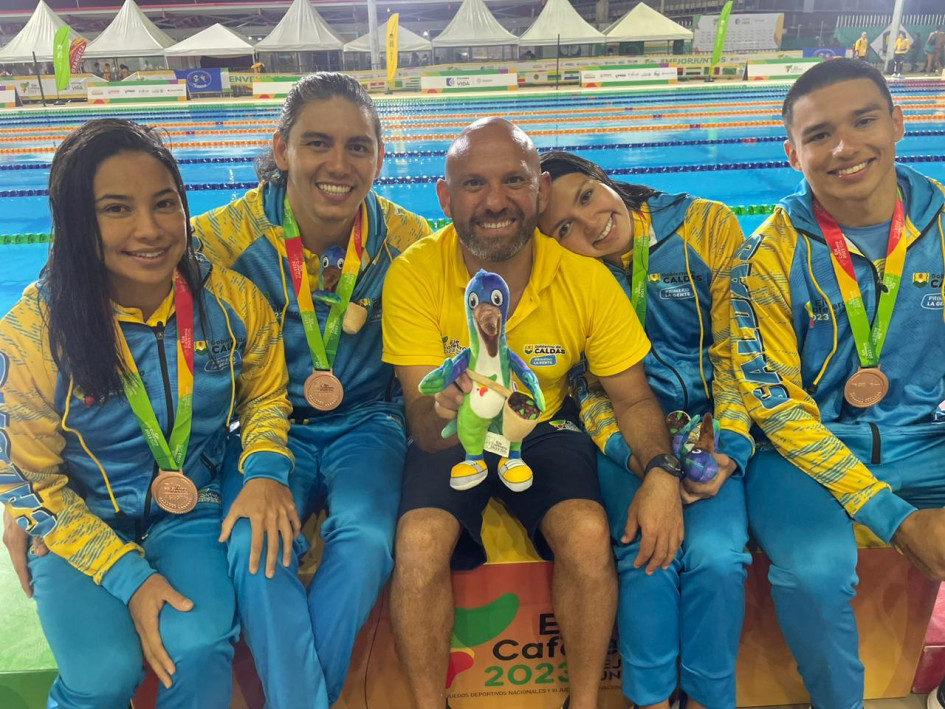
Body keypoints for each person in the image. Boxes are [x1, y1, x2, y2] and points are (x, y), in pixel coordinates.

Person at [382, 117, 685, 709]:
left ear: (539, 191)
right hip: (455, 436)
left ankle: (583, 702)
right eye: (473, 185)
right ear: (445, 196)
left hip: (539, 428)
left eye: (513, 181)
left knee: (589, 532)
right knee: (417, 541)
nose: (495, 202)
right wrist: (443, 408)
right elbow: (421, 419)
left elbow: (632, 397)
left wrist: (661, 472)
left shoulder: (584, 280)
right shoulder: (416, 272)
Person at [0, 119, 296, 707]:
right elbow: (30, 481)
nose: (150, 229)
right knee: (104, 671)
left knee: (199, 638)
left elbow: (265, 395)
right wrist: (128, 577)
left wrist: (266, 467)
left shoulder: (231, 303)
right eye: (116, 209)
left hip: (191, 508)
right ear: (77, 223)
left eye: (165, 204)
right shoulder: (33, 334)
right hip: (81, 520)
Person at [190, 72, 432, 708]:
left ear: (379, 157)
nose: (338, 164)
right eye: (317, 143)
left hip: (368, 424)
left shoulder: (408, 242)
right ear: (281, 150)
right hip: (268, 427)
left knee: (370, 538)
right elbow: (97, 278)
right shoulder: (223, 238)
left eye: (359, 147)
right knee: (251, 540)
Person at [730, 57, 945, 709]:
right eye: (819, 134)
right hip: (807, 450)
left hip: (923, 436)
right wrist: (891, 516)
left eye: (862, 121)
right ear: (791, 152)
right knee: (814, 569)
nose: (845, 147)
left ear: (899, 123)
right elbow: (774, 404)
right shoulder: (764, 255)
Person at [536, 151, 753, 709]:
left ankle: (707, 699)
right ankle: (651, 700)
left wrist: (725, 447)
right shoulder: (567, 271)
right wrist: (643, 463)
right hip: (630, 441)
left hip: (713, 434)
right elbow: (587, 388)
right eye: (564, 228)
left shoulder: (706, 225)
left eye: (586, 197)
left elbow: (740, 354)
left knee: (719, 556)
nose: (589, 225)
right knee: (645, 553)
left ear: (603, 178)